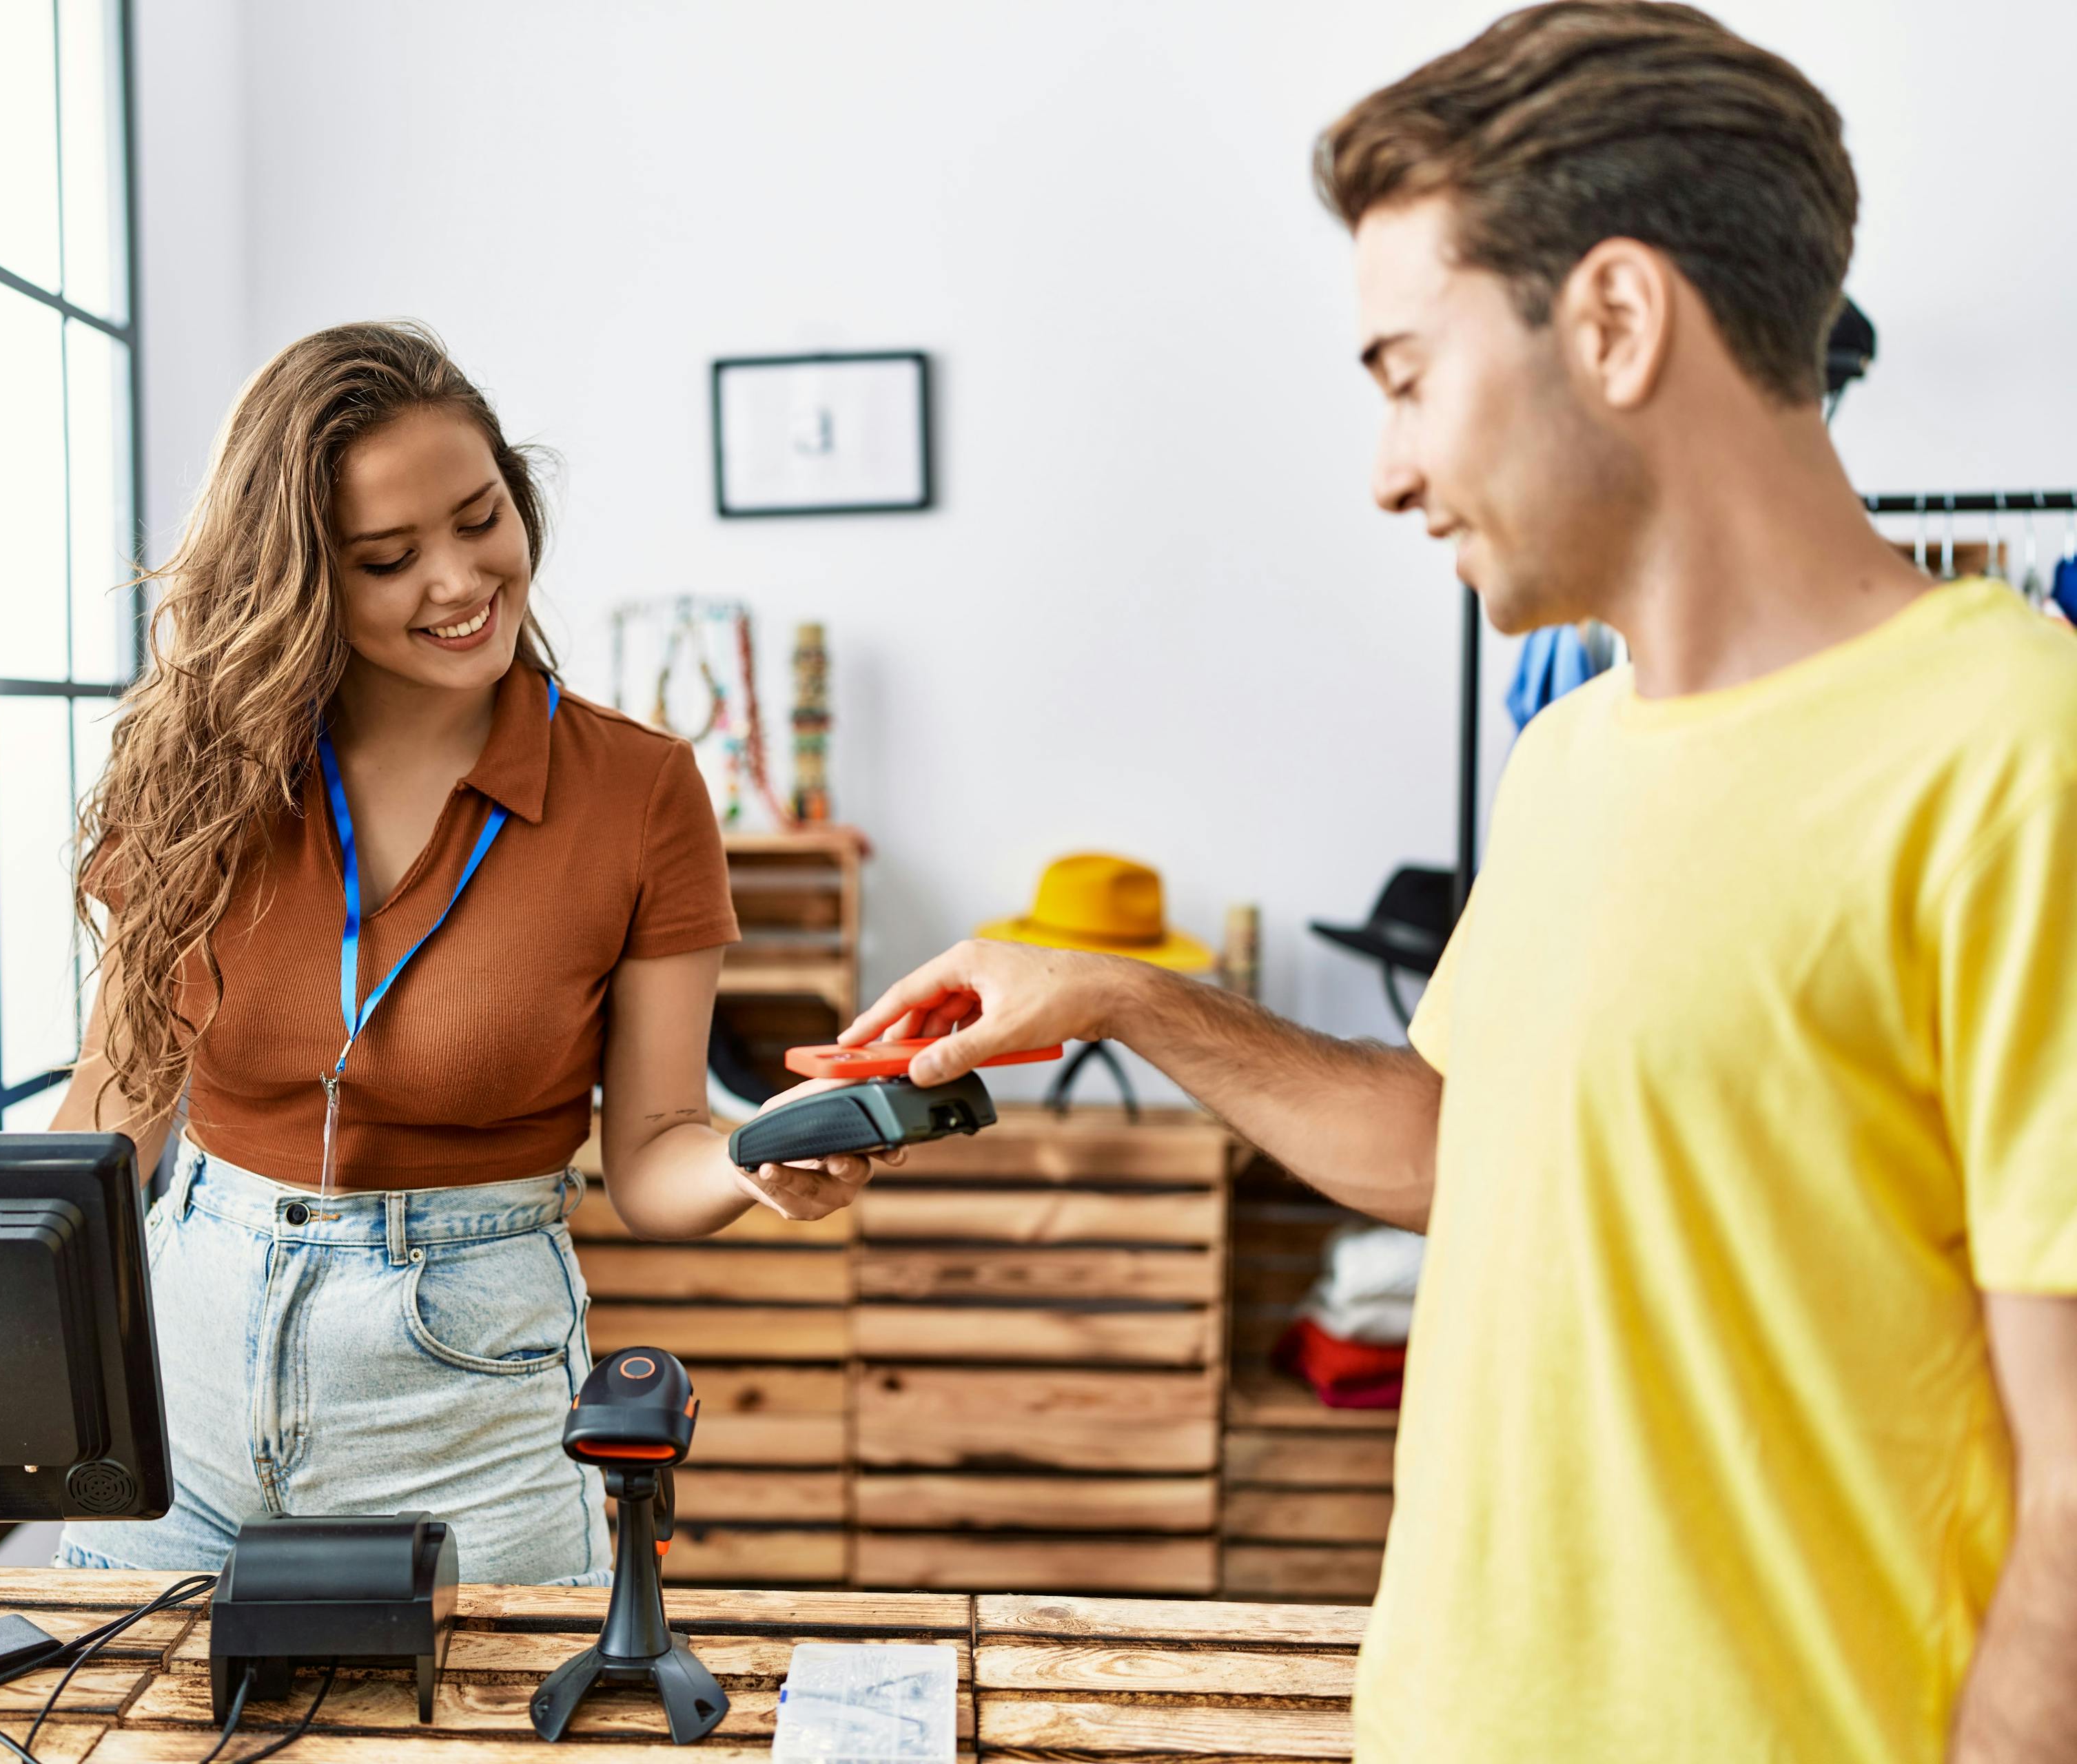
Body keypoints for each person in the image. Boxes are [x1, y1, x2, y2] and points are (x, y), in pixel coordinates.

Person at [844, 7, 2077, 1761]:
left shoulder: (2015, 749)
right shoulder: (1572, 757)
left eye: (1408, 374)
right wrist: (1118, 994)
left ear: (1618, 321)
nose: (1389, 469)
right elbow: (1456, 1145)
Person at [0, 322, 888, 1585]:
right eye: (389, 558)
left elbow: (652, 1154)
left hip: (470, 1417)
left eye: (483, 520)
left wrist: (758, 1158)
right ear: (301, 577)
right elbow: (114, 1110)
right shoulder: (196, 775)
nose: (461, 580)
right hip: (180, 1395)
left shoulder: (641, 792)